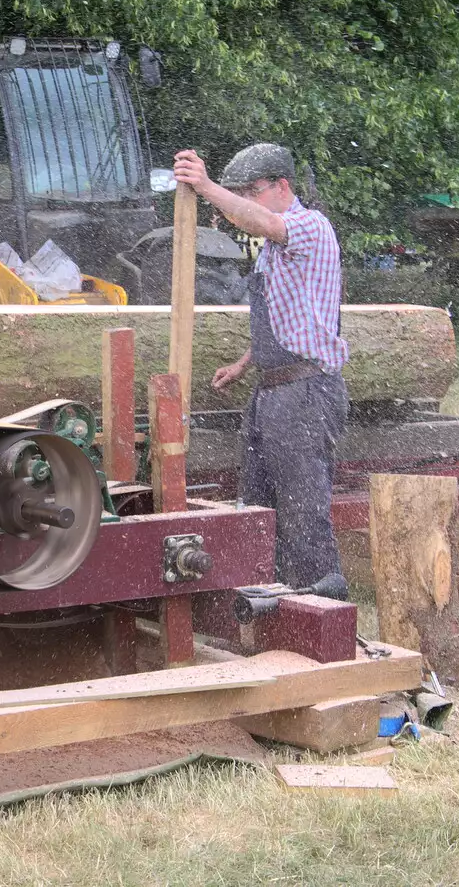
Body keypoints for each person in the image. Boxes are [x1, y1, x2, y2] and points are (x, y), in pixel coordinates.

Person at [173, 143, 349, 593]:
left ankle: (321, 606)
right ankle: (270, 603)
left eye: (253, 190)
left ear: (282, 185)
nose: (248, 201)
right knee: (258, 506)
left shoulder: (308, 226)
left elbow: (261, 221)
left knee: (302, 508)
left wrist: (206, 186)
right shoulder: (275, 249)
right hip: (273, 390)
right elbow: (293, 317)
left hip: (306, 393)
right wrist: (245, 362)